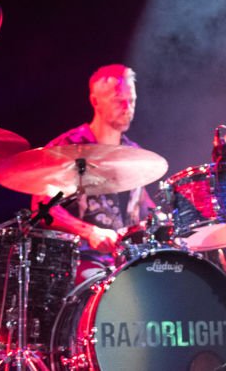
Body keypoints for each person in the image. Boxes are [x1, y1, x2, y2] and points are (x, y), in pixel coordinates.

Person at [32, 64, 154, 282]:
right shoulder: (68, 148)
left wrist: (165, 220)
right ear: (95, 101)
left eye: (132, 100)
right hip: (79, 261)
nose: (127, 107)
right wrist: (90, 232)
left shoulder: (134, 154)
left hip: (125, 262)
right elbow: (42, 208)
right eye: (119, 100)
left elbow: (145, 208)